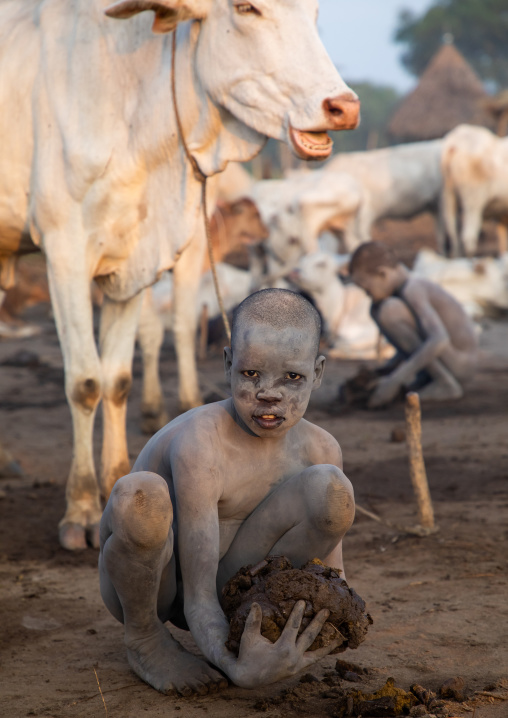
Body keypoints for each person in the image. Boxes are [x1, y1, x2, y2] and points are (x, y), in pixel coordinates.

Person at [99, 289, 355, 696]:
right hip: (158, 582)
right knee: (140, 496)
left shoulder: (321, 448)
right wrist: (237, 666)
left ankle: (245, 628)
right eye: (251, 374)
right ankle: (145, 639)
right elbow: (198, 597)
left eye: (292, 378)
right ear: (228, 364)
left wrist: (329, 628)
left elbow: (331, 574)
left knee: (332, 492)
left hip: (232, 583)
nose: (269, 394)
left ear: (318, 373)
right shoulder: (202, 442)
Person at [349, 242, 478, 409]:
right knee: (377, 309)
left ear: (383, 274)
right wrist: (387, 370)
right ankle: (429, 378)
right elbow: (412, 339)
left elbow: (439, 339)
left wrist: (395, 380)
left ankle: (445, 383)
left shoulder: (413, 288)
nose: (368, 295)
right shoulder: (403, 290)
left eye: (367, 289)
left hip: (461, 363)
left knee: (388, 311)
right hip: (451, 360)